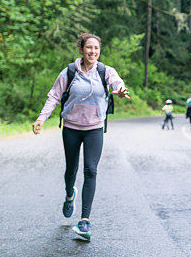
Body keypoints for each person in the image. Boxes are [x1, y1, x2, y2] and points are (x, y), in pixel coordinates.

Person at [32, 32, 130, 241]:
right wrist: (41, 118)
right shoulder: (69, 72)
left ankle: (84, 221)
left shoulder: (105, 71)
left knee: (91, 170)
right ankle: (70, 194)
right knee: (71, 170)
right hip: (71, 127)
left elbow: (116, 83)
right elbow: (54, 96)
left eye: (96, 48)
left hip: (94, 127)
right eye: (89, 48)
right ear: (81, 49)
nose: (92, 51)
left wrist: (120, 90)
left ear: (99, 50)